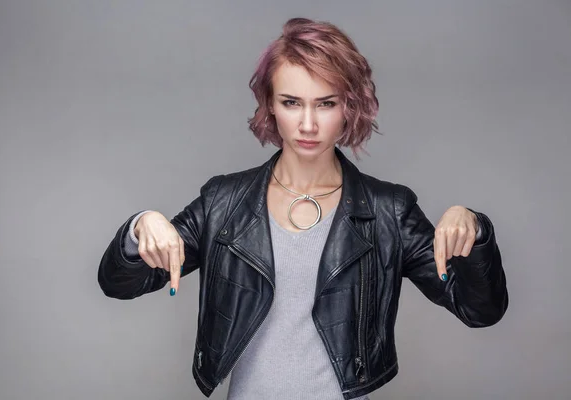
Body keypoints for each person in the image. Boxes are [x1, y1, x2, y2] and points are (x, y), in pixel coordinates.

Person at [98, 17, 508, 400]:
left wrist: (474, 229)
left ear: (350, 106)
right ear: (270, 105)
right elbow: (120, 284)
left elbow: (479, 310)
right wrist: (141, 227)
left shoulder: (388, 212)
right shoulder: (224, 203)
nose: (308, 124)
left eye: (325, 103)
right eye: (292, 102)